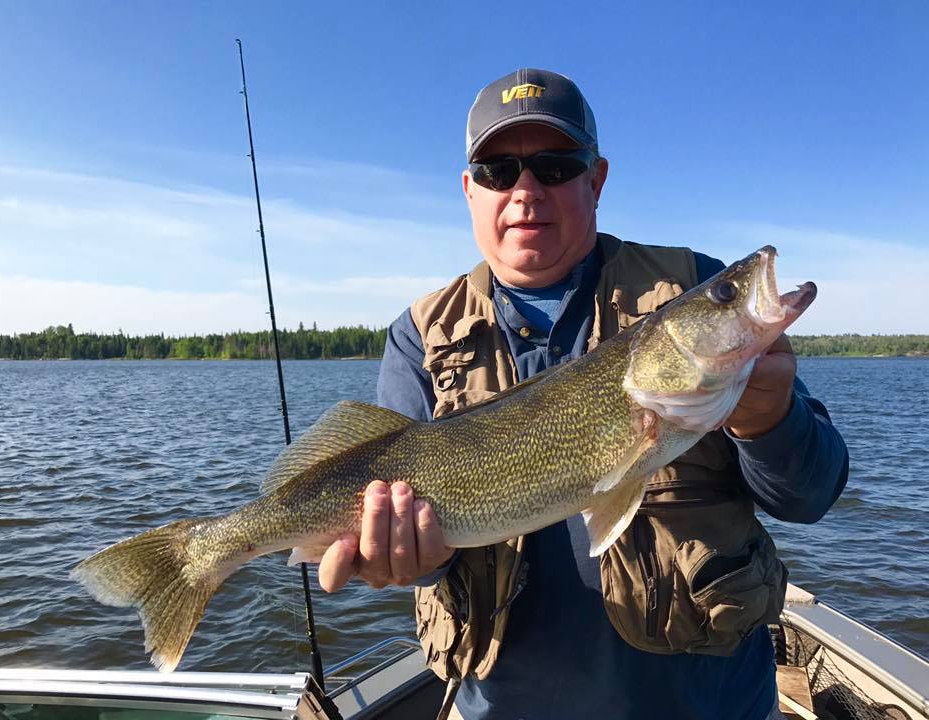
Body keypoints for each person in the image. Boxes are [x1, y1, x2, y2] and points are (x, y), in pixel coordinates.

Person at [318, 68, 849, 720]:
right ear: (468, 191)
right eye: (497, 171)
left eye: (554, 165)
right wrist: (405, 561)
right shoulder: (420, 335)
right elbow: (413, 551)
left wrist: (769, 421)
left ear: (596, 180)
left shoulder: (687, 283)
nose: (525, 191)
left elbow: (810, 494)